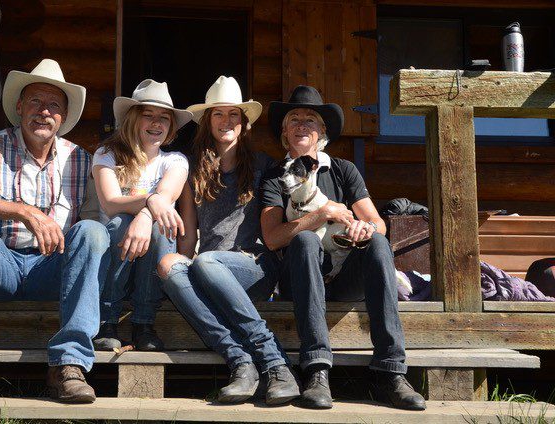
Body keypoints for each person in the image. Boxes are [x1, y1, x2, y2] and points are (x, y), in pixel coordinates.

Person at [0, 59, 109, 404]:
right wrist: (24, 212)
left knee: (92, 231)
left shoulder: (81, 159)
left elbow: (93, 225)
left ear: (63, 116)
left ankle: (69, 364)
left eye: (53, 105)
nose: (44, 112)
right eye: (35, 102)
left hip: (52, 270)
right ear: (19, 107)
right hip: (1, 268)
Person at [260, 85, 426, 411]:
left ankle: (390, 371)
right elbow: (273, 238)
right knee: (304, 239)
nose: (302, 124)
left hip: (346, 278)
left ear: (323, 131)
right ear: (284, 131)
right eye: (294, 119)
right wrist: (321, 214)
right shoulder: (275, 176)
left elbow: (378, 223)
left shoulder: (343, 169)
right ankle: (316, 370)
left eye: (310, 119)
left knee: (378, 243)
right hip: (301, 278)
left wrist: (365, 228)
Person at [157, 76, 300, 405]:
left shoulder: (264, 165)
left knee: (206, 261)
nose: (226, 121)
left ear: (245, 124)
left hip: (255, 265)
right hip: (209, 267)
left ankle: (275, 362)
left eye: (233, 114)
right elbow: (190, 230)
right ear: (207, 122)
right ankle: (242, 362)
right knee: (169, 265)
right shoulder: (193, 168)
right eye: (218, 114)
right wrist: (183, 263)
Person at [92, 79, 192, 352]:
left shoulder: (175, 161)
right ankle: (107, 320)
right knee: (120, 222)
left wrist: (147, 216)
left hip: (152, 255)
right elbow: (111, 203)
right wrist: (150, 202)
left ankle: (143, 324)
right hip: (114, 252)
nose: (157, 123)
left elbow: (166, 197)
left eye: (164, 118)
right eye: (148, 115)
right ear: (133, 119)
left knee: (161, 226)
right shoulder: (107, 153)